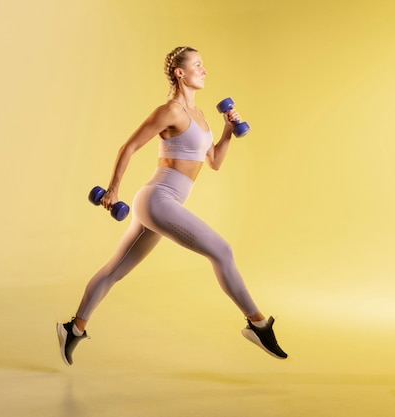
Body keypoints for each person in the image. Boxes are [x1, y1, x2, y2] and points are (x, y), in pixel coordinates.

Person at [57, 46, 287, 365]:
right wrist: (113, 189)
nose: (204, 70)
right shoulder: (171, 111)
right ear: (180, 73)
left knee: (115, 270)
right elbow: (130, 145)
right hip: (157, 199)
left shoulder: (202, 117)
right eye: (197, 65)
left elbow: (215, 162)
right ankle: (258, 324)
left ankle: (74, 328)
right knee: (222, 251)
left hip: (163, 203)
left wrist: (228, 131)